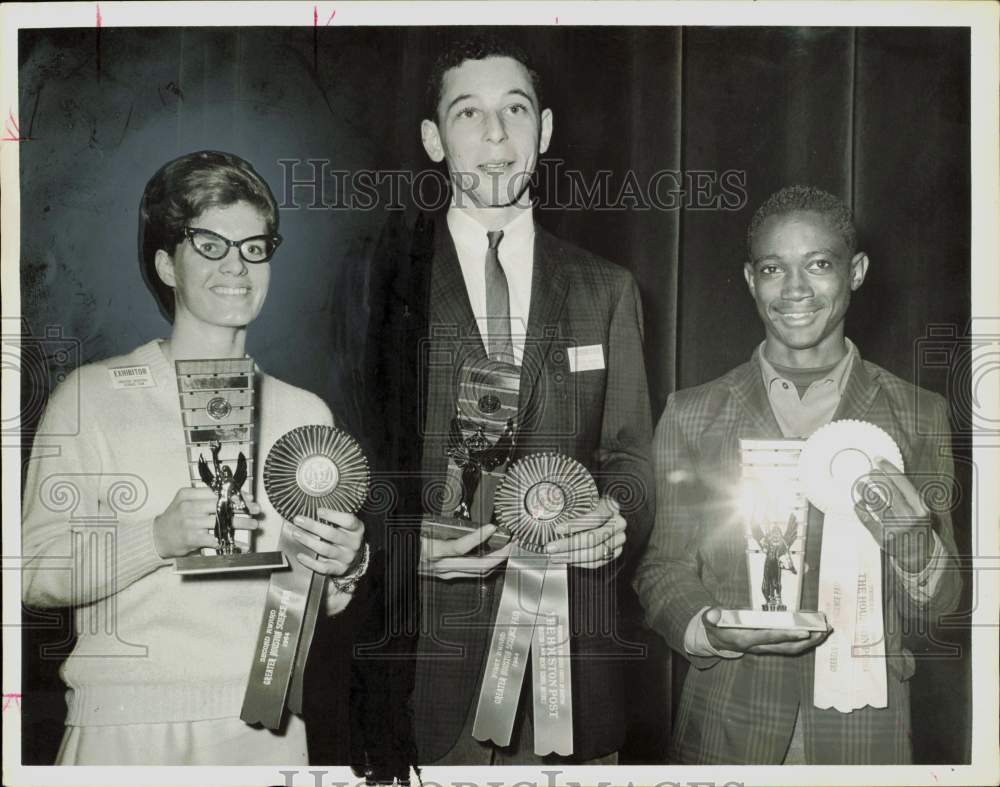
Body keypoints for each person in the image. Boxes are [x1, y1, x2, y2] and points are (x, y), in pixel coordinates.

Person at [362, 34, 654, 770]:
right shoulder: (375, 282)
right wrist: (401, 544)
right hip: (427, 671)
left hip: (574, 676)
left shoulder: (607, 288)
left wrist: (617, 516)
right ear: (434, 139)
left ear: (545, 129)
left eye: (515, 110)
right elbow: (341, 461)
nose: (495, 136)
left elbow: (631, 458)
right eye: (469, 113)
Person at [21, 150, 366, 765]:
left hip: (266, 727)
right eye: (210, 244)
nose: (237, 265)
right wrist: (155, 537)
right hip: (122, 731)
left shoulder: (304, 413)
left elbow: (313, 595)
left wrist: (342, 568)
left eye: (254, 247)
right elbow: (32, 573)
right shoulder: (91, 397)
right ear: (166, 265)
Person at [634, 185, 961, 764]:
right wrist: (709, 627)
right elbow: (663, 569)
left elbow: (944, 603)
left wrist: (915, 547)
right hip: (727, 727)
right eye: (772, 268)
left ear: (855, 271)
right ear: (748, 278)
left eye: (818, 264)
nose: (794, 290)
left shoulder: (919, 414)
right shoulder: (692, 412)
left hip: (868, 738)